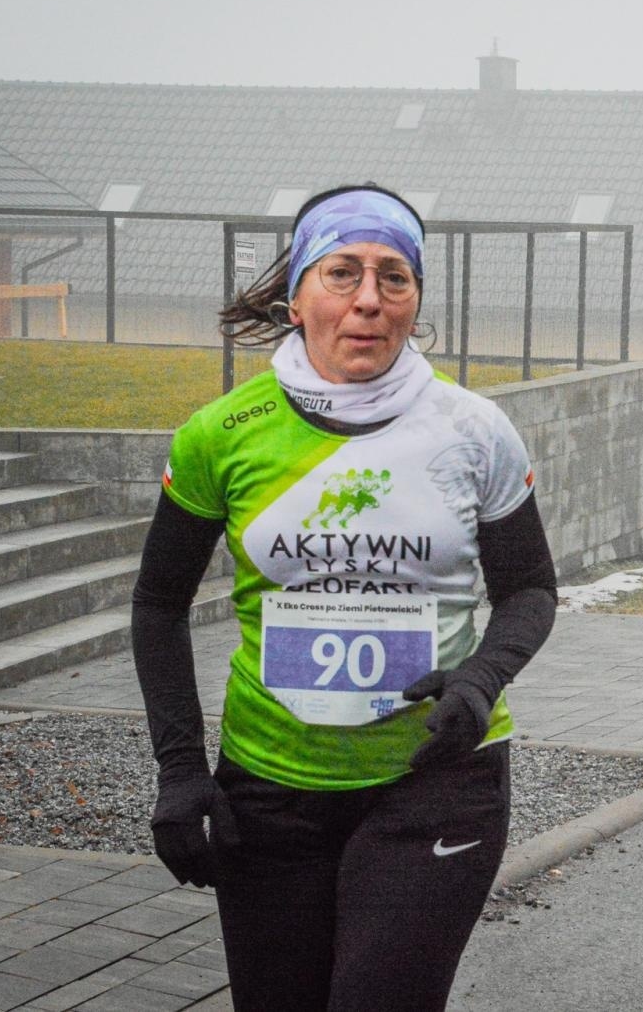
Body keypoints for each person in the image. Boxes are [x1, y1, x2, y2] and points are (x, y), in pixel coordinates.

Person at [131, 184, 557, 1012]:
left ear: (415, 303)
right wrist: (180, 771)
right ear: (297, 297)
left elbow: (531, 590)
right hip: (268, 789)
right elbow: (157, 604)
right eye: (343, 272)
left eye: (394, 277)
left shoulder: (473, 431)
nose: (369, 298)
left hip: (434, 778)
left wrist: (480, 679)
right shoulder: (222, 434)